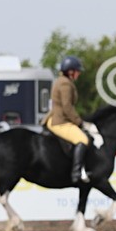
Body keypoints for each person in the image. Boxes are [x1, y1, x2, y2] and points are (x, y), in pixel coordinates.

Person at [44, 55, 93, 183]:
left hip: (56, 119)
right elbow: (67, 107)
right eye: (77, 71)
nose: (79, 73)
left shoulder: (61, 81)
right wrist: (79, 122)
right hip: (60, 121)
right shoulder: (65, 84)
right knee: (83, 139)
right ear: (71, 71)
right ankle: (76, 173)